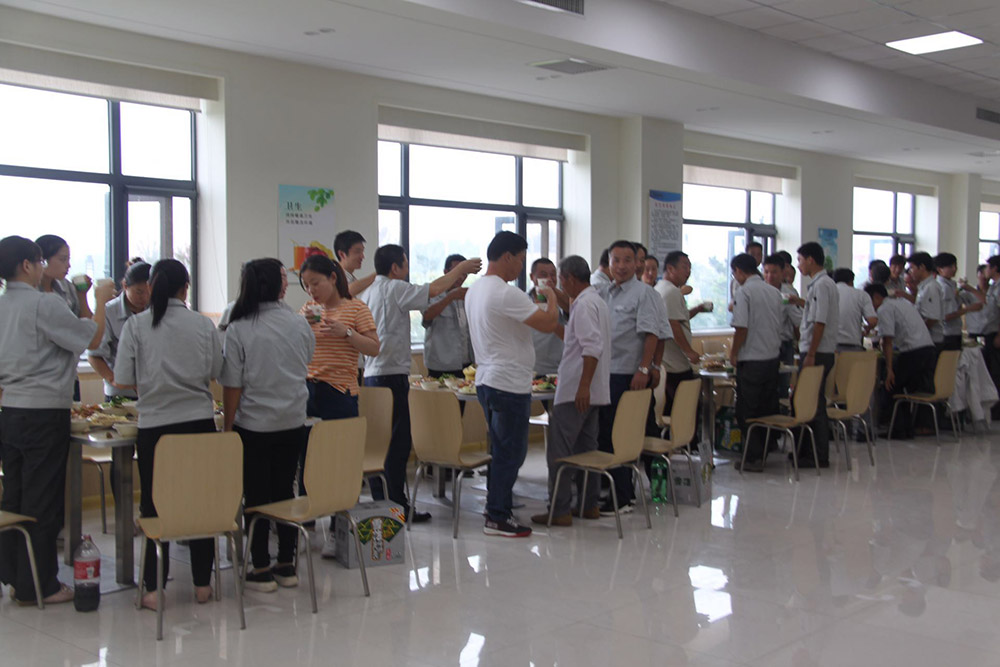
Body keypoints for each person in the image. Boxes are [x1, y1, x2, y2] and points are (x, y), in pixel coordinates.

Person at [0, 236, 113, 606]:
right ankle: (40, 585)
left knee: (15, 496)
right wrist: (100, 300)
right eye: (40, 262)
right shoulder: (42, 303)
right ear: (28, 265)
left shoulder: (3, 305)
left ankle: (16, 577)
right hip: (43, 411)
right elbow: (91, 337)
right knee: (42, 501)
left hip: (10, 410)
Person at [115, 259, 222, 610]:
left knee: (153, 504)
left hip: (155, 427)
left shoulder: (137, 325)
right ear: (185, 288)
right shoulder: (203, 325)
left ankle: (153, 588)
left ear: (152, 285)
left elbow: (122, 378)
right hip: (199, 423)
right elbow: (215, 370)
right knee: (201, 501)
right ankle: (203, 585)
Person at [361, 244, 481, 522]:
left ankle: (384, 504)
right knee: (397, 444)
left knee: (380, 444)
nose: (407, 269)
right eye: (405, 264)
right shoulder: (394, 288)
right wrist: (462, 270)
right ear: (395, 268)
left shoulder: (370, 291)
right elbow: (433, 290)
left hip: (372, 374)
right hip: (391, 374)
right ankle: (398, 507)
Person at [221, 258, 314, 593]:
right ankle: (287, 564)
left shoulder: (239, 327)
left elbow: (232, 385)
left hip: (254, 424)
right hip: (292, 420)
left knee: (256, 495)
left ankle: (260, 567)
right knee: (285, 491)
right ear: (277, 287)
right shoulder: (298, 323)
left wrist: (227, 427)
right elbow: (306, 361)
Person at [466, 231, 558, 537]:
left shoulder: (475, 290)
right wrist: (552, 297)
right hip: (508, 383)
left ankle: (496, 506)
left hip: (487, 380)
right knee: (511, 452)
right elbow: (549, 323)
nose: (521, 266)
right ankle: (497, 515)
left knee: (501, 449)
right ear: (507, 257)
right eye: (520, 259)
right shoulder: (506, 293)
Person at [531, 256, 610, 527]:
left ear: (570, 278)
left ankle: (559, 509)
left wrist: (583, 386)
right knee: (586, 449)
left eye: (560, 279)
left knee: (560, 452)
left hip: (577, 390)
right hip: (592, 390)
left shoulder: (585, 305)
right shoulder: (594, 301)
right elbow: (574, 339)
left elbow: (592, 347)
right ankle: (588, 505)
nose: (559, 285)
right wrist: (550, 323)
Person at [595, 240, 664, 515]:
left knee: (620, 436)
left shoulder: (644, 294)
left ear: (637, 263)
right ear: (608, 263)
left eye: (627, 260)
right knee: (610, 434)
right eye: (616, 260)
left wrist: (645, 369)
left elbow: (652, 334)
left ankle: (623, 497)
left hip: (628, 375)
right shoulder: (604, 293)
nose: (621, 266)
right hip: (606, 373)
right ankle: (622, 490)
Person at [87, 260, 151, 502]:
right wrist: (116, 379)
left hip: (150, 394)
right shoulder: (110, 311)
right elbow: (95, 355)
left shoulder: (157, 309)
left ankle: (150, 508)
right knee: (122, 455)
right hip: (119, 396)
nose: (144, 298)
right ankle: (122, 509)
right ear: (125, 286)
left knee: (151, 453)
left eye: (148, 291)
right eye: (139, 292)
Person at [728, 253, 782, 472]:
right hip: (772, 358)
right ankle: (766, 450)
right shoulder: (774, 292)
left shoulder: (744, 292)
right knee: (766, 408)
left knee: (747, 410)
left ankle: (752, 457)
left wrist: (734, 353)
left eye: (735, 274)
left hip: (752, 360)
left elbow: (741, 327)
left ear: (739, 271)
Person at [864, 283, 935, 439]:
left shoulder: (884, 309)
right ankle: (905, 428)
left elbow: (887, 341)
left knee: (890, 386)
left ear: (876, 297)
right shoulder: (902, 302)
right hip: (927, 350)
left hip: (913, 352)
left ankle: (898, 429)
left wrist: (889, 370)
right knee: (901, 390)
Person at [796, 241, 839, 468]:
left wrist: (811, 353)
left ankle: (818, 455)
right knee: (810, 400)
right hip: (817, 350)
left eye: (800, 260)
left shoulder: (822, 285)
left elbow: (819, 322)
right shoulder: (821, 284)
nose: (799, 265)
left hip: (818, 352)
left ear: (810, 260)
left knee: (814, 402)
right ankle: (808, 451)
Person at [656, 251, 710, 417]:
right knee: (685, 412)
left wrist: (698, 309)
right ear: (670, 268)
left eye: (690, 267)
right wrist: (689, 352)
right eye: (684, 267)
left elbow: (680, 318)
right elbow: (673, 324)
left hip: (667, 363)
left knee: (671, 410)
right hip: (676, 365)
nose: (688, 271)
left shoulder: (661, 288)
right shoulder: (671, 292)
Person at [421, 254, 474, 379]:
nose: (461, 277)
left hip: (466, 362)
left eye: (464, 274)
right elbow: (427, 317)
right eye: (457, 272)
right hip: (441, 364)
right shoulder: (433, 292)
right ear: (446, 272)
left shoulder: (466, 295)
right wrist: (450, 297)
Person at [335, 230, 377, 384]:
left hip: (355, 359)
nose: (362, 256)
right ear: (342, 254)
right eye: (357, 251)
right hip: (341, 363)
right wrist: (377, 275)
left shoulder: (352, 279)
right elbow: (346, 292)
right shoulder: (335, 279)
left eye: (363, 251)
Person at [763, 254, 800, 400]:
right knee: (766, 385)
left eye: (774, 272)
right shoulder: (759, 291)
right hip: (763, 345)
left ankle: (782, 412)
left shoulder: (788, 293)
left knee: (783, 385)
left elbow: (797, 320)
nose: (770, 276)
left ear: (782, 272)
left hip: (783, 344)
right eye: (766, 272)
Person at [528, 258, 569, 378]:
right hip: (529, 370)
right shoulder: (524, 300)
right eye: (543, 275)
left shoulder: (561, 301)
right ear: (532, 277)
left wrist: (553, 293)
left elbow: (570, 307)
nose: (549, 279)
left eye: (552, 275)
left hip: (556, 371)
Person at [35, 234, 93, 319]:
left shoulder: (67, 286)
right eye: (63, 259)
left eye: (68, 259)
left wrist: (82, 295)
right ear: (43, 261)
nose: (68, 265)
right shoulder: (30, 290)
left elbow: (88, 324)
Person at [833, 268, 877, 352]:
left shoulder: (826, 293)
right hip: (852, 346)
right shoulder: (861, 295)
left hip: (828, 347)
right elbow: (872, 321)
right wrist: (867, 329)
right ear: (851, 281)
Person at [908, 251, 945, 350]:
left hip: (931, 340)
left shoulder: (931, 287)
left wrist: (917, 333)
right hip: (925, 339)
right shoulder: (923, 287)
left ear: (922, 267)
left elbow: (932, 318)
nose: (910, 272)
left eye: (912, 268)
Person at [934, 253, 970, 351]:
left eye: (955, 266)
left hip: (953, 332)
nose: (954, 269)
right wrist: (968, 309)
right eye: (950, 266)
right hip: (948, 333)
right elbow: (946, 316)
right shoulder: (944, 287)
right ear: (939, 269)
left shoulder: (951, 285)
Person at [961, 264, 989, 342]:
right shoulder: (968, 292)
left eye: (986, 273)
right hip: (974, 330)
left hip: (990, 330)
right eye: (981, 273)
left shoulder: (994, 290)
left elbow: (987, 301)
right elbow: (955, 300)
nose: (984, 276)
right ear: (977, 274)